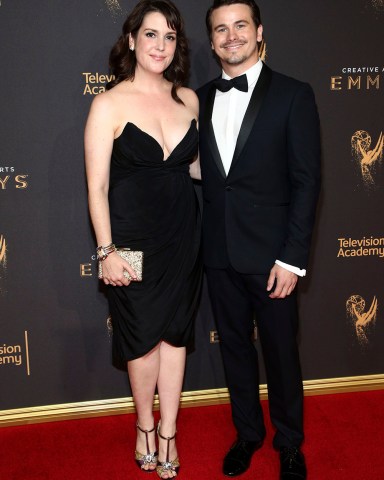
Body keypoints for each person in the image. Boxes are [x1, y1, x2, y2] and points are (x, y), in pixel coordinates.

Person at [197, 1, 321, 478]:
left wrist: (292, 260)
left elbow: (307, 181)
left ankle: (289, 442)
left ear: (259, 31)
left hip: (273, 258)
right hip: (219, 253)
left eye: (240, 26)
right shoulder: (199, 98)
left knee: (282, 354)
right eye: (221, 29)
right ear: (211, 41)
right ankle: (247, 434)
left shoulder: (294, 94)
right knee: (234, 349)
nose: (231, 36)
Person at [84, 1, 201, 478]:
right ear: (131, 40)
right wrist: (107, 251)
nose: (160, 45)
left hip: (183, 238)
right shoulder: (108, 103)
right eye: (151, 34)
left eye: (170, 37)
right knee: (141, 343)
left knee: (175, 338)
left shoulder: (187, 99)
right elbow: (96, 187)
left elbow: (196, 169)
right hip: (131, 242)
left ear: (177, 46)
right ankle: (145, 426)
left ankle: (169, 431)